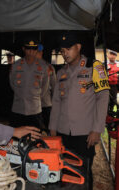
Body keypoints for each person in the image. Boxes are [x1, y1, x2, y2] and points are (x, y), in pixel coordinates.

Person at [49, 32, 110, 190]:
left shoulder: (94, 67)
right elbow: (56, 102)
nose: (65, 54)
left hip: (85, 133)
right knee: (66, 170)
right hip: (63, 131)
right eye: (62, 51)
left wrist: (97, 130)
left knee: (84, 172)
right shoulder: (61, 72)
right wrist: (52, 128)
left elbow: (103, 98)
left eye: (68, 49)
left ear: (78, 47)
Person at [9, 38, 48, 129]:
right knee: (16, 140)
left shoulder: (43, 66)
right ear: (23, 49)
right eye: (28, 49)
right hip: (18, 109)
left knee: (34, 139)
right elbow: (12, 84)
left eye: (34, 49)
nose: (31, 52)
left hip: (35, 110)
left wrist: (34, 96)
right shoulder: (16, 65)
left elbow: (45, 87)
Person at [36, 44, 56, 129]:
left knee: (48, 129)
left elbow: (55, 86)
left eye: (37, 52)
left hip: (45, 104)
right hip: (33, 105)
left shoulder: (49, 67)